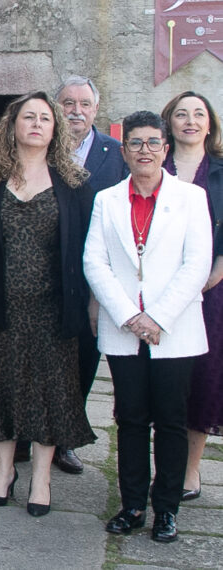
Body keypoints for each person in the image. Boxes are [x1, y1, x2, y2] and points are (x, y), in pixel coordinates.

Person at [0, 91, 96, 516]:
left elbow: (91, 249)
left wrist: (92, 305)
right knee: (1, 388)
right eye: (27, 117)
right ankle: (4, 473)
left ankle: (42, 479)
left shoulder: (74, 183)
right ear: (11, 126)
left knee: (51, 391)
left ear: (56, 129)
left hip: (55, 307)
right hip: (0, 305)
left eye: (44, 118)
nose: (36, 123)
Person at [86, 110, 212, 543]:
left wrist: (157, 318)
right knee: (132, 419)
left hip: (174, 330)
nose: (145, 150)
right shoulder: (107, 200)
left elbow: (197, 264)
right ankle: (133, 504)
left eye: (153, 143)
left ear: (166, 148)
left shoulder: (191, 198)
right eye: (136, 143)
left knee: (172, 421)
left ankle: (167, 510)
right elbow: (94, 262)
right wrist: (130, 317)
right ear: (124, 151)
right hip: (125, 330)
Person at [33, 75, 128, 475]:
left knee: (84, 358)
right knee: (36, 359)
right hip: (41, 274)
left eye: (84, 103)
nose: (76, 110)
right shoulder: (39, 149)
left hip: (93, 278)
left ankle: (66, 439)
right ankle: (27, 437)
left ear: (96, 108)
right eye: (68, 103)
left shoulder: (117, 154)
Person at [159, 92, 223, 502]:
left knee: (203, 378)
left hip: (210, 294)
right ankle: (160, 463)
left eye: (198, 114)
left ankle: (190, 469)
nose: (190, 121)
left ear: (210, 124)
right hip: (154, 293)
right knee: (160, 381)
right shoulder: (152, 164)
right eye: (181, 114)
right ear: (169, 123)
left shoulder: (220, 172)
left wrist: (199, 283)